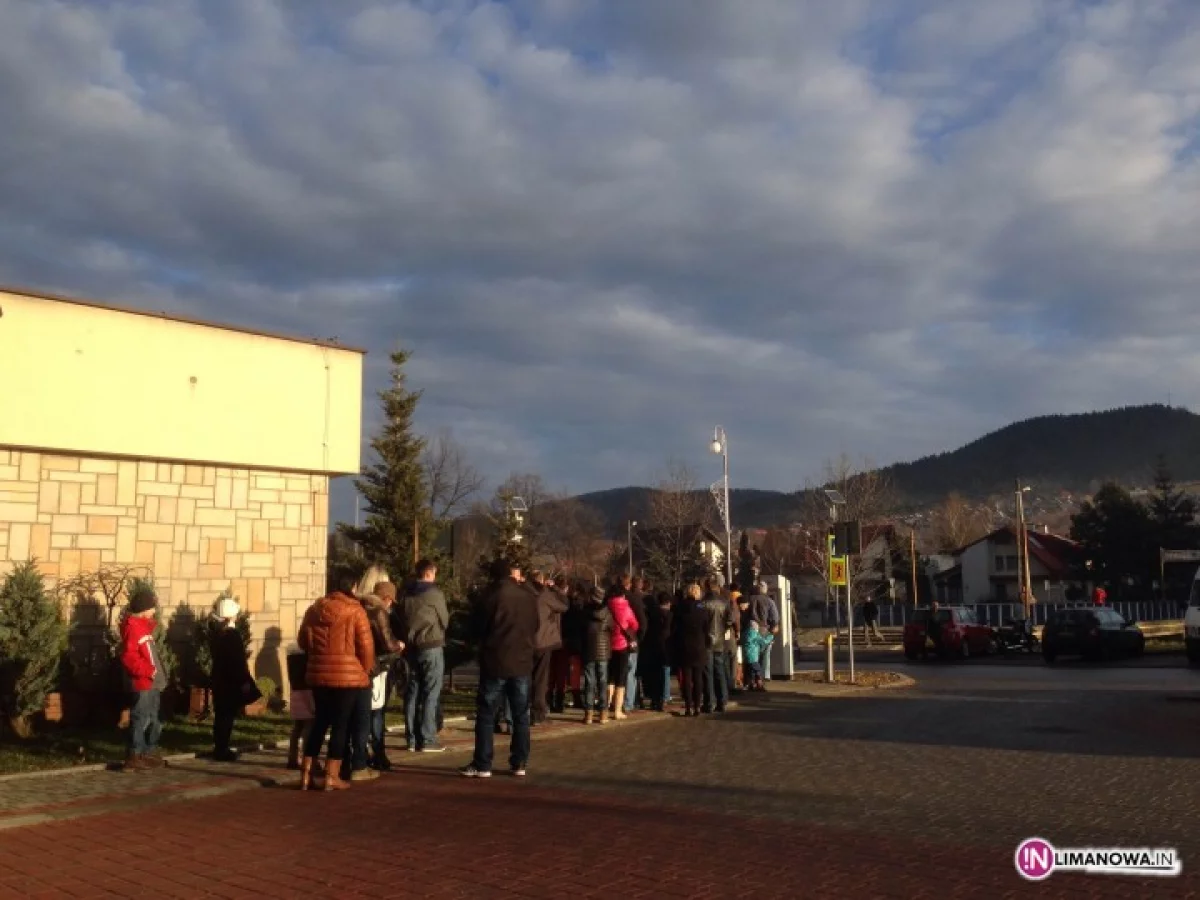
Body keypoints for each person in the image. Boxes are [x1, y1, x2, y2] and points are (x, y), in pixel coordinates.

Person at [460, 560, 539, 779]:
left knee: (486, 713)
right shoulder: (528, 597)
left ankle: (483, 762)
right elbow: (536, 626)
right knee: (521, 713)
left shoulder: (490, 597)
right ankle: (519, 761)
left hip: (495, 660)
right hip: (522, 660)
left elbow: (476, 628)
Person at [298, 575, 375, 792]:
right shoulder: (355, 610)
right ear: (353, 587)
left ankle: (307, 773)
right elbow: (366, 646)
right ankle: (332, 775)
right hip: (348, 676)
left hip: (318, 674)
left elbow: (302, 641)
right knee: (341, 724)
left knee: (320, 721)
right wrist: (365, 669)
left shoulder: (314, 610)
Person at [394, 561, 448, 753]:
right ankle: (428, 738)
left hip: (411, 647)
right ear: (429, 573)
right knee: (431, 692)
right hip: (431, 645)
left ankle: (411, 737)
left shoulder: (405, 594)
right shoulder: (435, 594)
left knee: (413, 691)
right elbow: (445, 619)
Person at [119, 586, 166, 772]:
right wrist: (149, 671)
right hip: (143, 682)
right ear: (144, 609)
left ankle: (147, 751)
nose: (154, 611)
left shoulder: (143, 628)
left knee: (154, 718)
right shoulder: (133, 628)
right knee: (141, 718)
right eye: (152, 607)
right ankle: (134, 754)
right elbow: (129, 657)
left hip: (152, 682)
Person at [362, 581, 404, 769]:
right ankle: (379, 754)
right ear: (386, 599)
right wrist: (399, 645)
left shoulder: (360, 608)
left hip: (359, 666)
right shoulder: (378, 612)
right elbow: (387, 642)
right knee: (377, 711)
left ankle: (362, 750)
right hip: (376, 666)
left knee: (362, 711)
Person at [209, 596, 254, 762]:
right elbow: (238, 661)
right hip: (230, 681)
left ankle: (219, 747)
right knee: (226, 716)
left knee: (221, 715)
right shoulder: (232, 635)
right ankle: (222, 749)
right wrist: (243, 681)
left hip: (219, 678)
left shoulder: (217, 633)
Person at [531, 570, 568, 725]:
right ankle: (537, 713)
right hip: (543, 640)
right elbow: (564, 606)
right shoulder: (545, 595)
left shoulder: (526, 593)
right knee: (540, 678)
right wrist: (555, 589)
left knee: (527, 677)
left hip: (527, 641)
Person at [673, 584, 709, 717]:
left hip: (684, 646)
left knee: (687, 678)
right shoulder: (702, 609)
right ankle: (697, 706)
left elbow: (675, 628)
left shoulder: (680, 608)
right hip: (699, 645)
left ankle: (688, 706)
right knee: (698, 677)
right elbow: (706, 628)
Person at [606, 581, 640, 721]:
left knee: (610, 677)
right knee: (621, 677)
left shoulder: (606, 606)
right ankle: (617, 710)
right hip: (622, 645)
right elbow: (635, 625)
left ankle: (606, 705)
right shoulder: (626, 608)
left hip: (608, 645)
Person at [551, 578, 585, 712]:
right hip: (568, 641)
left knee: (555, 672)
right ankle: (569, 698)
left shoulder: (552, 601)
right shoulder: (572, 605)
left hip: (556, 639)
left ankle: (555, 700)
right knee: (568, 671)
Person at [581, 585, 613, 724]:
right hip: (603, 650)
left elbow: (581, 630)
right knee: (603, 681)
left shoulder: (585, 612)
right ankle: (603, 713)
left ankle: (588, 713)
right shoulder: (607, 613)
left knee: (589, 682)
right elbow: (611, 628)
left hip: (589, 650)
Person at [701, 577, 733, 713]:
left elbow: (700, 622)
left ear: (707, 587)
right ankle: (722, 700)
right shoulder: (724, 602)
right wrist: (723, 630)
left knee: (708, 673)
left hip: (706, 641)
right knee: (720, 671)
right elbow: (730, 620)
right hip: (720, 641)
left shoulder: (702, 603)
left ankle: (709, 702)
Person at [285, 647, 316, 772]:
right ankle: (307, 759)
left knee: (297, 726)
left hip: (295, 690)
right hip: (308, 690)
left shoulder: (291, 655)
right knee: (309, 726)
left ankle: (292, 758)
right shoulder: (309, 656)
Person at [641, 591, 673, 711]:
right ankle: (663, 699)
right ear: (668, 603)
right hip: (665, 646)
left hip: (652, 645)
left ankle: (655, 699)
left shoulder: (651, 614)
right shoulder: (670, 615)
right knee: (664, 672)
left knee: (654, 674)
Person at [624, 577, 648, 712]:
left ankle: (623, 701)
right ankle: (630, 702)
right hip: (633, 640)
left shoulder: (612, 600)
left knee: (623, 672)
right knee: (631, 672)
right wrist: (639, 638)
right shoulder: (637, 600)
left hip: (618, 641)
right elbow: (643, 624)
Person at [741, 621, 774, 691]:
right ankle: (760, 686)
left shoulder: (744, 634)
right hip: (753, 657)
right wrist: (771, 636)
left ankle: (750, 685)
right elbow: (764, 642)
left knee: (750, 672)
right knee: (758, 671)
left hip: (746, 657)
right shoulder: (755, 634)